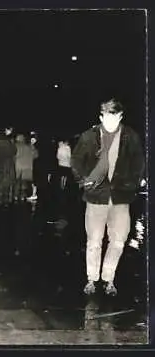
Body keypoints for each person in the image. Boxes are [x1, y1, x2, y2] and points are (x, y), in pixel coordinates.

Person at [71, 98, 145, 296]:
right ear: (101, 116)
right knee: (94, 241)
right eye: (107, 118)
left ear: (121, 117)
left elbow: (139, 161)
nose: (111, 123)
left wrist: (134, 182)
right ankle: (91, 279)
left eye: (115, 118)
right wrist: (84, 180)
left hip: (121, 198)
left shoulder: (130, 136)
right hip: (96, 197)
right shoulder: (89, 136)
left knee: (119, 241)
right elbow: (76, 160)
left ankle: (109, 279)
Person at [0, 127, 16, 206]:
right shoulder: (10, 143)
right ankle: (6, 201)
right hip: (8, 166)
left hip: (0, 166)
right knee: (6, 184)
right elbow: (14, 152)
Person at [14, 134, 38, 201]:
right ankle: (23, 196)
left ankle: (16, 196)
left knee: (17, 182)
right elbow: (36, 155)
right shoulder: (29, 147)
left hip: (18, 166)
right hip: (27, 167)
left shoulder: (15, 146)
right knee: (24, 182)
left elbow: (14, 156)